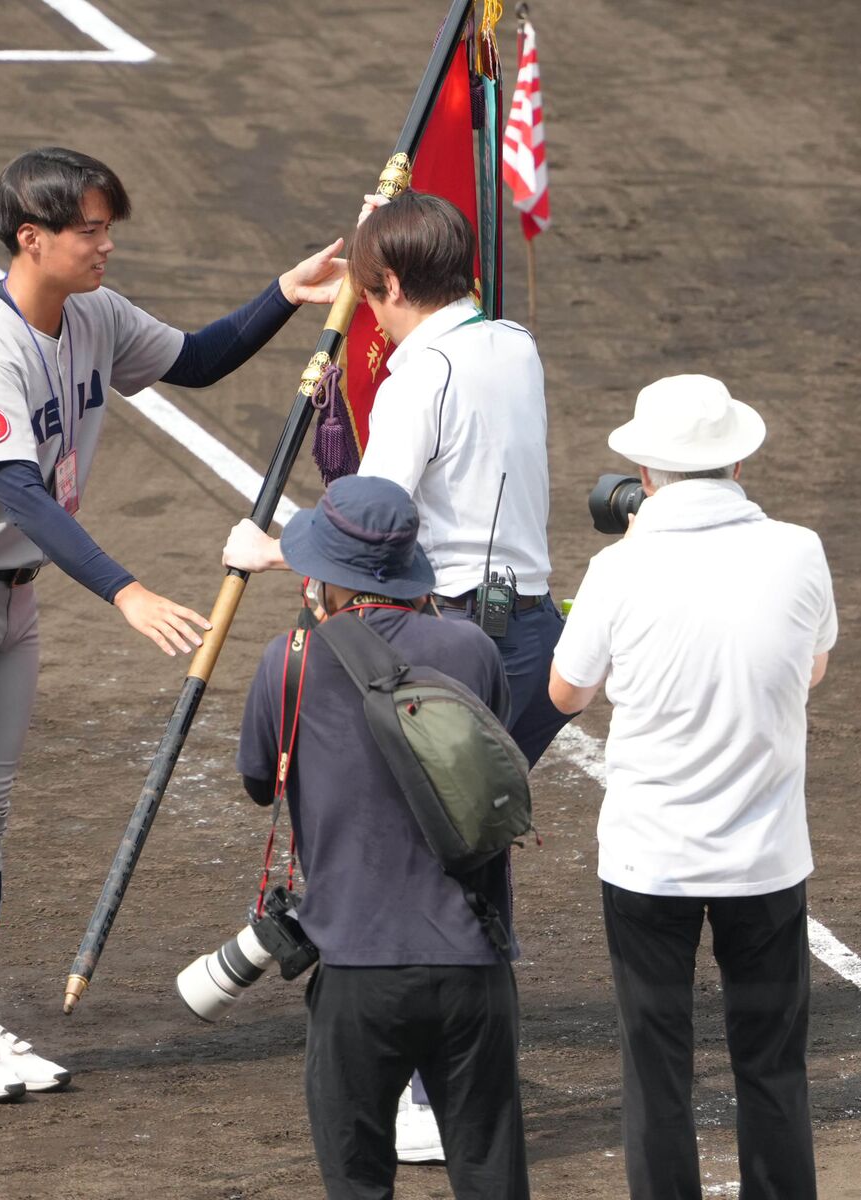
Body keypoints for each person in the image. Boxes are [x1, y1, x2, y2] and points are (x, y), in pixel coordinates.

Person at [0, 146, 346, 1102]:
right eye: (89, 230)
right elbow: (17, 493)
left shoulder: (91, 317)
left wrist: (284, 293)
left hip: (11, 596)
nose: (105, 244)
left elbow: (197, 361)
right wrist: (125, 590)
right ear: (31, 238)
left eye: (105, 226)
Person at [223, 189, 569, 1157]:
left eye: (369, 291)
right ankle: (449, 1070)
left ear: (384, 284)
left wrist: (276, 548)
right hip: (528, 635)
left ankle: (423, 1091)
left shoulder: (421, 374)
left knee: (412, 849)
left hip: (449, 644)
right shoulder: (513, 345)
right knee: (466, 847)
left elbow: (374, 514)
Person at [549, 374, 837, 1199]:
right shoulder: (799, 550)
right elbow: (808, 668)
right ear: (738, 463)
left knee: (655, 1068)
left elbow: (566, 694)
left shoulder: (616, 566)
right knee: (773, 1067)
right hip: (766, 860)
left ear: (643, 474)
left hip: (649, 863)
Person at [236, 474, 530, 1200]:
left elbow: (256, 782)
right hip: (471, 961)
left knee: (358, 1183)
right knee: (491, 1175)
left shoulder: (290, 661)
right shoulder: (472, 652)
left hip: (355, 970)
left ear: (324, 576)